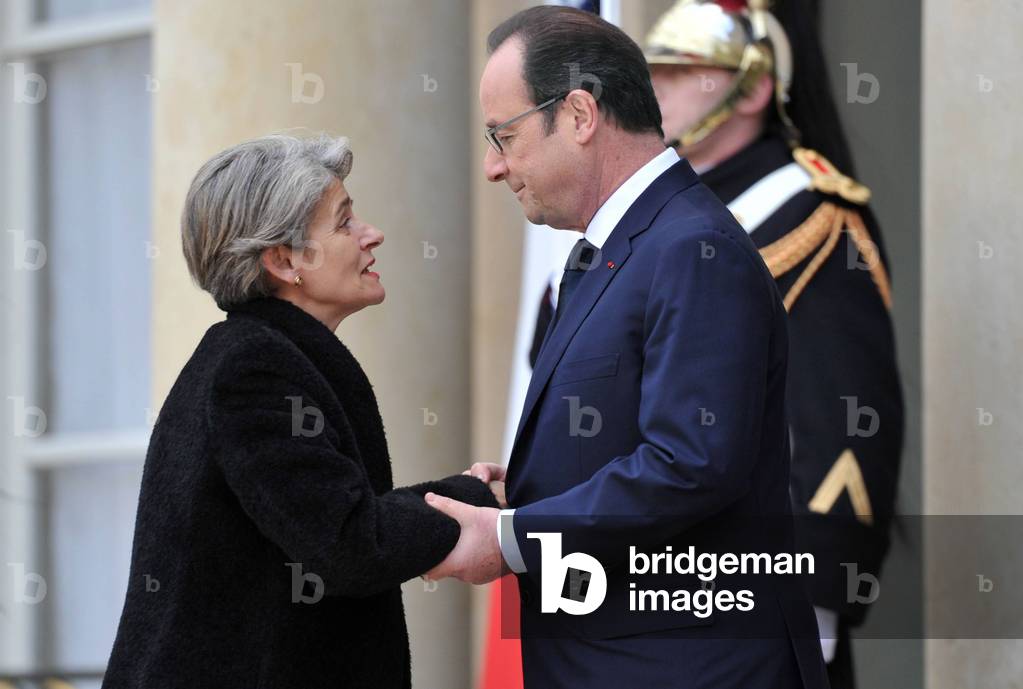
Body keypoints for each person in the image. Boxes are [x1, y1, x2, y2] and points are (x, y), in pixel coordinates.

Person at [423, 7, 828, 688]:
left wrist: (510, 537)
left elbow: (690, 463)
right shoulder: (620, 250)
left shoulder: (692, 250)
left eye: (504, 135)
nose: (494, 167)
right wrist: (523, 490)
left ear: (579, 115)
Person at [101, 134, 499, 689]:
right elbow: (349, 546)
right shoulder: (255, 369)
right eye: (344, 222)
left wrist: (465, 493)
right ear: (284, 260)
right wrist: (479, 504)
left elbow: (337, 517)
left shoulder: (259, 356)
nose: (372, 234)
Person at [645, 1, 905, 686]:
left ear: (752, 86)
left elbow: (838, 424)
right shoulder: (661, 211)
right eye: (651, 70)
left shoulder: (810, 216)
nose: (653, 87)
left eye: (679, 70)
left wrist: (808, 602)